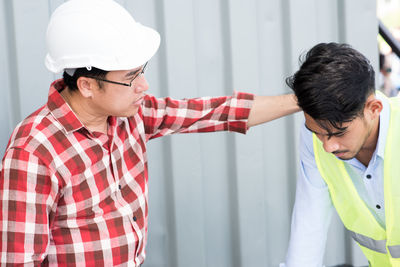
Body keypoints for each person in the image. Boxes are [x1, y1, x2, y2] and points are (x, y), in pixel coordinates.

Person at [0, 0, 299, 265]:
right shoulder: (34, 153)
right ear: (87, 85)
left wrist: (301, 101)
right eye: (131, 77)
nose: (144, 85)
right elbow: (19, 260)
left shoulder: (130, 115)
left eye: (142, 70)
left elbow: (215, 113)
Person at [282, 42, 400, 267]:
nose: (328, 147)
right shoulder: (314, 140)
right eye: (318, 133)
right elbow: (308, 230)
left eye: (339, 133)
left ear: (373, 109)